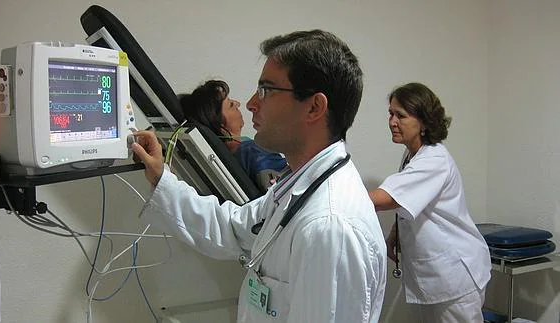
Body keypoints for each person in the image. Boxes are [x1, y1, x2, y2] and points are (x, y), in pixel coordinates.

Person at [132, 30, 387, 322]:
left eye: (266, 90)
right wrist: (161, 178)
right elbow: (230, 227)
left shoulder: (330, 228)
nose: (252, 103)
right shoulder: (295, 187)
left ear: (314, 107)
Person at [368, 82, 491, 322]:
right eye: (391, 114)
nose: (392, 121)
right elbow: (415, 203)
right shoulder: (412, 155)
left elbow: (385, 199)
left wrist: (336, 195)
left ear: (423, 122)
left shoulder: (434, 160)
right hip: (440, 275)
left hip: (456, 273)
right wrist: (396, 233)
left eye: (400, 115)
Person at [180, 80, 287, 191]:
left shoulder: (218, 161)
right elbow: (286, 188)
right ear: (220, 125)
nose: (237, 103)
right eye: (231, 104)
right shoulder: (253, 151)